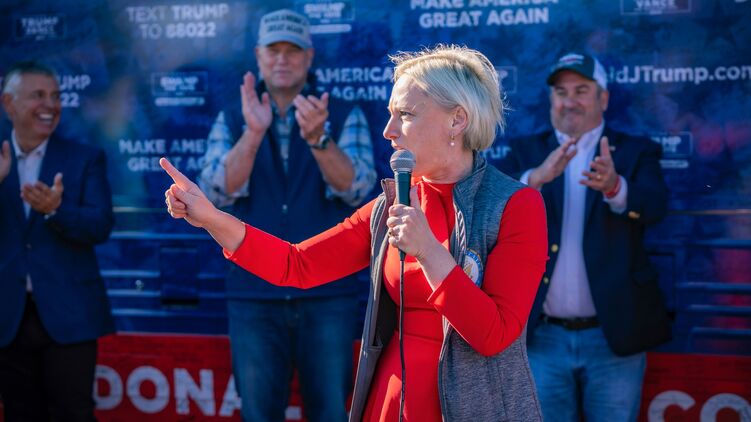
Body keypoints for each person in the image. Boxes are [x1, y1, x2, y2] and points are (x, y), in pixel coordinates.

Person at [163, 44, 547, 421]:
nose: (388, 131)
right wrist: (211, 217)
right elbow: (296, 265)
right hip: (391, 402)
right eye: (390, 114)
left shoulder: (515, 205)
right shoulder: (390, 205)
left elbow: (494, 336)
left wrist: (429, 251)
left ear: (457, 120)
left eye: (405, 114)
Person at [196, 9, 376, 422]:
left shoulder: (340, 112)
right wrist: (253, 133)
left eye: (292, 50)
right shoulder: (234, 115)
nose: (282, 59)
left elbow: (357, 190)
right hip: (253, 293)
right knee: (259, 414)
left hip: (327, 293)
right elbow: (216, 192)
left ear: (309, 57)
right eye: (273, 50)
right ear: (258, 56)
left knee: (331, 412)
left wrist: (318, 138)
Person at [497, 52, 671, 421]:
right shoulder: (525, 151)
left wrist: (615, 187)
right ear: (551, 100)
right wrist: (535, 179)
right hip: (543, 338)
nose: (569, 101)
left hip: (614, 338)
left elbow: (655, 207)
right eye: (561, 92)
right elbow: (491, 212)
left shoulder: (636, 151)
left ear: (603, 99)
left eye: (581, 91)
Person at [0, 61, 115, 421]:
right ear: (9, 103)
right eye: (37, 95)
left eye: (55, 96)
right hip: (7, 317)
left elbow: (100, 225)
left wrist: (55, 210)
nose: (49, 105)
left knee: (74, 414)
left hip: (70, 316)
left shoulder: (84, 158)